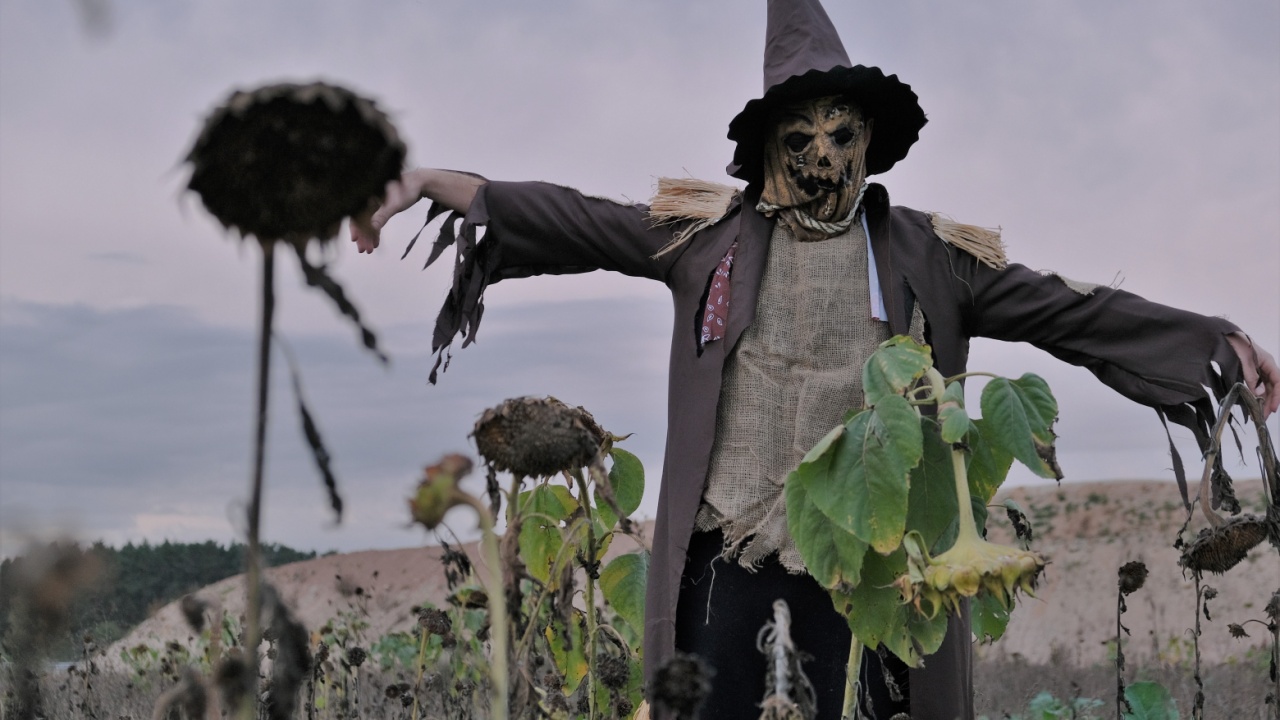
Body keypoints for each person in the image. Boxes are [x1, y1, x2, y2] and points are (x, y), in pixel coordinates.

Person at [350, 2, 1279, 718]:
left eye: (845, 132)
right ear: (766, 149)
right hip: (729, 557)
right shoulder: (705, 240)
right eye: (803, 136)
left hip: (876, 572)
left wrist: (1219, 345)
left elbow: (1073, 310)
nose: (827, 154)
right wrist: (428, 181)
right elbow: (569, 216)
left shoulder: (930, 256)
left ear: (872, 140)